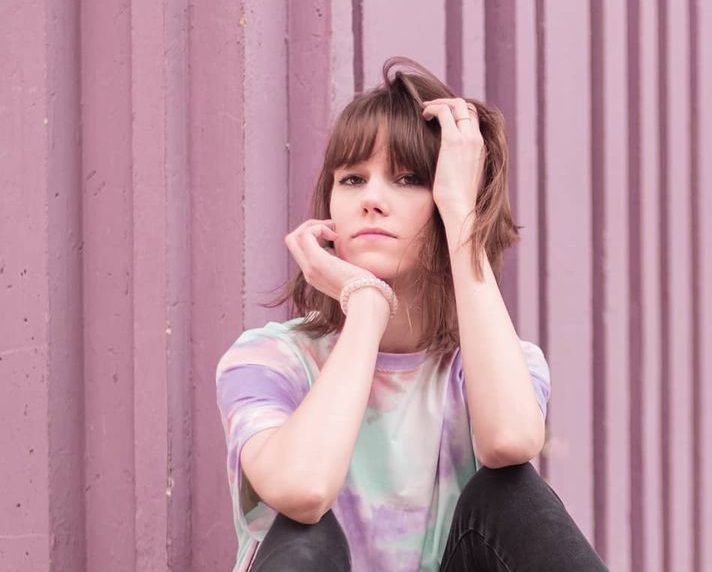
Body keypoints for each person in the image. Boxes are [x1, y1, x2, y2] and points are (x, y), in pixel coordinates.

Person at [214, 57, 607, 571]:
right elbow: (303, 489)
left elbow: (510, 441)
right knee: (305, 532)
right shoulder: (269, 360)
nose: (372, 200)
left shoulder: (498, 366)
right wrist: (365, 305)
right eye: (353, 179)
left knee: (512, 493)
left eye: (407, 179)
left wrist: (462, 216)